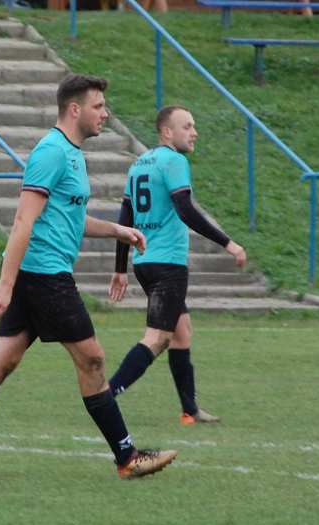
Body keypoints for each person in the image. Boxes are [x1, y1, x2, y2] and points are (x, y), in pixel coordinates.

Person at [0, 74, 178, 480]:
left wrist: (118, 230)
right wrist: (6, 282)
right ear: (75, 109)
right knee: (93, 359)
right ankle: (128, 457)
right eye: (99, 106)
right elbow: (23, 220)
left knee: (1, 361)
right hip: (44, 276)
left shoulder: (71, 154)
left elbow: (70, 218)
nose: (106, 113)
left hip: (40, 275)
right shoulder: (51, 152)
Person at [107, 105, 247, 426]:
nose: (194, 132)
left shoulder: (140, 163)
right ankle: (106, 394)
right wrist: (229, 243)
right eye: (187, 126)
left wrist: (119, 268)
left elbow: (125, 220)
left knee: (181, 333)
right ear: (166, 132)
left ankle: (190, 410)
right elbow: (185, 208)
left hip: (145, 261)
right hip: (167, 263)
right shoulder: (174, 161)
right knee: (156, 338)